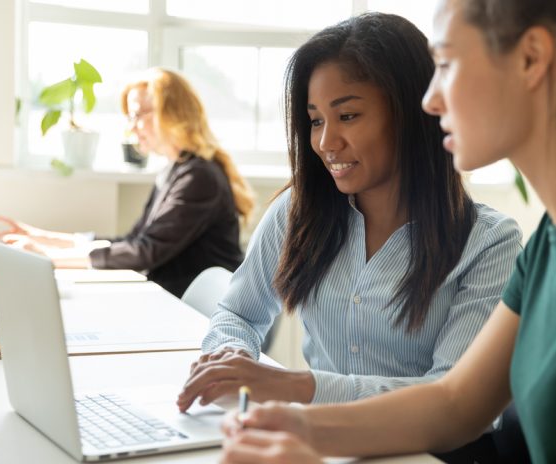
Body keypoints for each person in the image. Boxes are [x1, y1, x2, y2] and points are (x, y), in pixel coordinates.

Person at [218, 0, 556, 463]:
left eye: (445, 63)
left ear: (531, 59)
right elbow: (454, 404)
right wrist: (297, 424)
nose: (429, 100)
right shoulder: (552, 238)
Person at [177, 12, 521, 418]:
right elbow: (238, 312)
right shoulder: (296, 213)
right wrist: (231, 352)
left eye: (348, 116)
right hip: (319, 440)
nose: (325, 142)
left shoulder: (489, 241)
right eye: (316, 120)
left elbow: (451, 396)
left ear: (412, 113)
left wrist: (298, 386)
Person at [0, 68, 254, 298]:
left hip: (197, 315)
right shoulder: (175, 171)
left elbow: (143, 253)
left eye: (138, 115)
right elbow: (133, 241)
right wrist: (48, 240)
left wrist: (48, 257)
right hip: (174, 302)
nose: (132, 126)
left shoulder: (200, 178)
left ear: (171, 114)